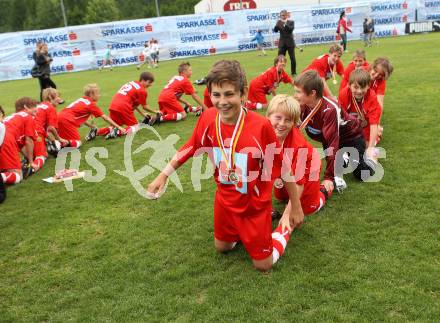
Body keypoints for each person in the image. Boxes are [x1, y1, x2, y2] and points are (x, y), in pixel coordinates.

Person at [147, 60, 304, 272]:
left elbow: (284, 168)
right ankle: (242, 232)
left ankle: (281, 230)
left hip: (254, 206)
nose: (222, 102)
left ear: (243, 93)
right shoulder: (208, 118)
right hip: (225, 199)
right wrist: (163, 176)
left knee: (263, 265)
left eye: (229, 94)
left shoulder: (261, 127)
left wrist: (295, 206)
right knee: (222, 248)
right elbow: (190, 147)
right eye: (216, 95)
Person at [294, 70, 375, 194]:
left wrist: (328, 178)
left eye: (298, 92)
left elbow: (333, 143)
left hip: (352, 136)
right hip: (329, 137)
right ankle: (343, 158)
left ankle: (371, 160)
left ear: (312, 93)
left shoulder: (330, 110)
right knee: (337, 164)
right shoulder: (300, 105)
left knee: (361, 174)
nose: (295, 95)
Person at [267, 95, 327, 216]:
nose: (282, 123)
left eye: (288, 120)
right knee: (281, 197)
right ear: (268, 116)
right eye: (278, 117)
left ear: (294, 123)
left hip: (308, 167)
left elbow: (299, 183)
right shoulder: (262, 131)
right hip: (288, 167)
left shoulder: (298, 145)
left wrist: (287, 215)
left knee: (306, 209)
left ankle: (323, 192)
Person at [57, 84, 125, 148]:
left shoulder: (82, 99)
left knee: (63, 139)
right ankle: (57, 145)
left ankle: (54, 143)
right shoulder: (91, 105)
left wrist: (92, 127)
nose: (99, 95)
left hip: (59, 117)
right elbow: (105, 118)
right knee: (77, 143)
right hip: (66, 120)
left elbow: (80, 118)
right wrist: (119, 127)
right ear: (91, 94)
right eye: (97, 93)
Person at [94, 72, 158, 139]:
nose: (151, 84)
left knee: (114, 126)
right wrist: (157, 112)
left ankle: (96, 132)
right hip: (123, 106)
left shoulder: (132, 82)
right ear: (143, 80)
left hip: (113, 105)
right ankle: (118, 132)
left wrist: (142, 113)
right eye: (149, 82)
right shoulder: (142, 90)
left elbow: (134, 104)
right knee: (135, 127)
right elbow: (145, 107)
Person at [338, 69, 382, 158]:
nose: (359, 91)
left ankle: (377, 135)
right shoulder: (343, 94)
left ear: (368, 86)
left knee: (366, 151)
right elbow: (339, 119)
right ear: (349, 86)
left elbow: (373, 123)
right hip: (350, 128)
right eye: (356, 87)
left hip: (365, 128)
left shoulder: (372, 96)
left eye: (363, 87)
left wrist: (370, 148)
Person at [32, 88, 67, 171]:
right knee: (41, 156)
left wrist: (51, 140)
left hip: (25, 133)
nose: (59, 99)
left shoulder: (40, 105)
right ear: (50, 97)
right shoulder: (50, 108)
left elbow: (44, 129)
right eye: (58, 96)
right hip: (35, 133)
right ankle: (29, 169)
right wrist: (58, 139)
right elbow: (50, 128)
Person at [3, 97, 38, 179]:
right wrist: (31, 162)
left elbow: (20, 144)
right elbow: (29, 141)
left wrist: (27, 157)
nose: (36, 108)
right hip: (6, 139)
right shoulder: (28, 117)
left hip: (4, 137)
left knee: (6, 169)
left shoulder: (14, 116)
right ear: (25, 107)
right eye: (33, 106)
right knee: (18, 176)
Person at [273, 10, 297, 75]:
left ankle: (293, 72)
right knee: (279, 59)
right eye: (282, 15)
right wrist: (276, 25)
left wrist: (284, 23)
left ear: (287, 15)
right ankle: (278, 72)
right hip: (282, 44)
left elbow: (290, 29)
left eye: (284, 15)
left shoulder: (291, 22)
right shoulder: (279, 22)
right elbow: (275, 30)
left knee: (292, 58)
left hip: (290, 43)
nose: (283, 16)